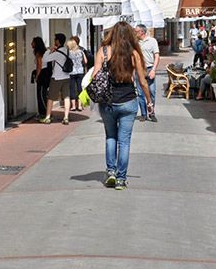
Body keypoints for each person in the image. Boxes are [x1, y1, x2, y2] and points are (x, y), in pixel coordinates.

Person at [92, 22, 152, 190]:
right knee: (124, 142)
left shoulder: (103, 51)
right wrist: (149, 102)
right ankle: (121, 179)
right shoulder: (134, 54)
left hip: (108, 101)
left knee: (110, 137)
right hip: (128, 101)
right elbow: (142, 81)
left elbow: (95, 75)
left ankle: (111, 171)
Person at [40, 33, 72, 125]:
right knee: (66, 97)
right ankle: (66, 117)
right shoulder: (67, 51)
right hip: (66, 77)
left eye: (55, 40)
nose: (54, 41)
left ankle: (47, 117)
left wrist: (49, 50)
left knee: (50, 98)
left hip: (57, 78)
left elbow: (45, 60)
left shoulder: (57, 53)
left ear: (57, 41)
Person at [134, 23, 160, 122]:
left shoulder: (152, 41)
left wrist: (154, 69)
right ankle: (143, 114)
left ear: (142, 32)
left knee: (152, 92)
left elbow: (156, 56)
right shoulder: (135, 43)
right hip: (139, 69)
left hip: (149, 68)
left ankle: (151, 113)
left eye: (136, 31)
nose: (135, 33)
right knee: (140, 93)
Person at [30, 36, 49, 116]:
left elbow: (39, 65)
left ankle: (44, 112)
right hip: (45, 73)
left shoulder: (39, 53)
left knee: (41, 94)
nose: (31, 44)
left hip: (42, 74)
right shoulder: (45, 51)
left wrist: (37, 76)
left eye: (33, 42)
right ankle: (44, 112)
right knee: (43, 93)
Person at [66, 37, 86, 112]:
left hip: (71, 72)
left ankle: (73, 106)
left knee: (72, 89)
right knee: (79, 88)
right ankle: (80, 106)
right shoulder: (81, 51)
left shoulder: (69, 52)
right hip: (80, 71)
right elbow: (86, 61)